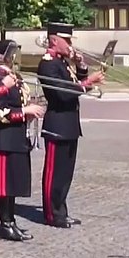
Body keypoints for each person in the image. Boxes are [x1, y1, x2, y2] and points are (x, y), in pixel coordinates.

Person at [37, 22, 104, 228]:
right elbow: (62, 93)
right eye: (66, 41)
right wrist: (87, 83)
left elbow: (75, 84)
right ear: (54, 40)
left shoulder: (63, 62)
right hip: (57, 123)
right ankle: (51, 213)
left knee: (66, 173)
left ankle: (61, 209)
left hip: (69, 124)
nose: (69, 45)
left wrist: (82, 67)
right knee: (54, 173)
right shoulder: (48, 63)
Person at [0, 39, 44, 241]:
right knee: (3, 185)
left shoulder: (14, 76)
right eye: (11, 54)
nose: (14, 58)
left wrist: (29, 110)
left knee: (13, 184)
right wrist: (23, 111)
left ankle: (12, 221)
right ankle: (5, 223)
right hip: (4, 138)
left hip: (18, 136)